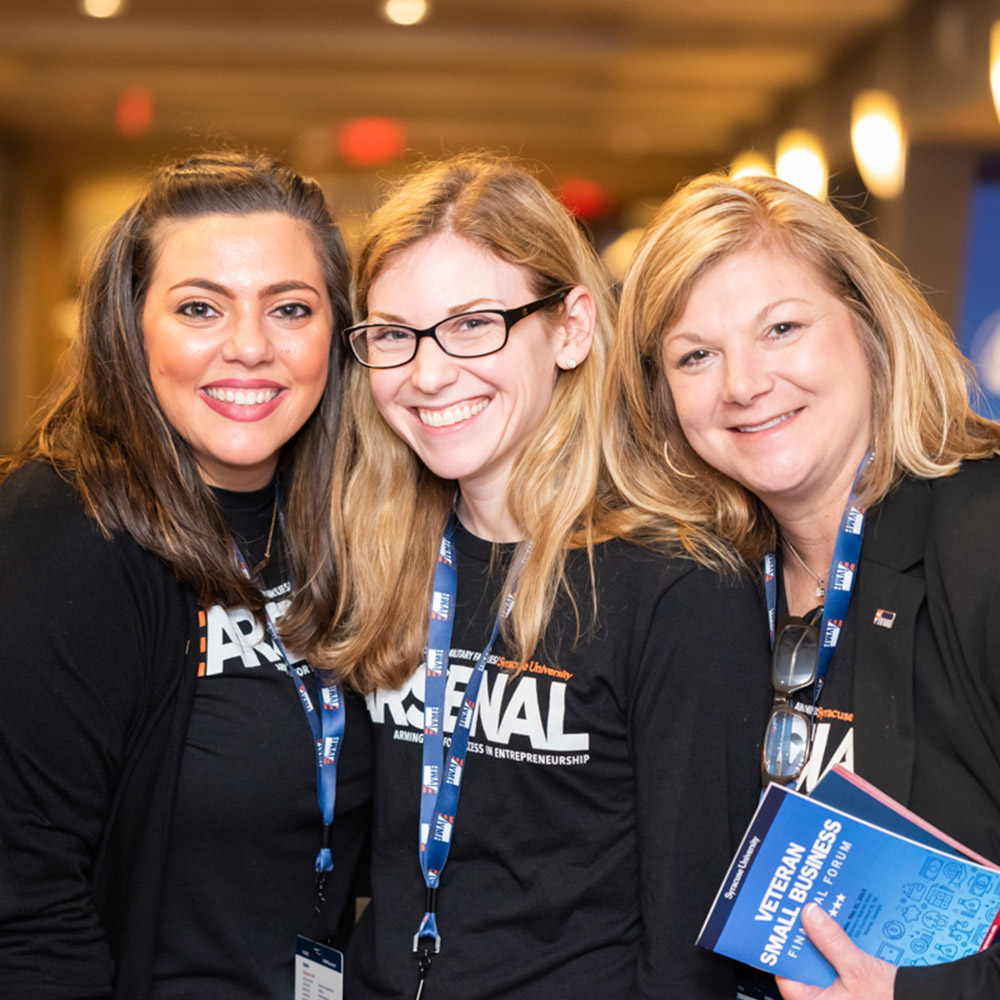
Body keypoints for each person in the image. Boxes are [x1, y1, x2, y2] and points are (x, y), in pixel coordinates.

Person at [305, 152, 771, 999]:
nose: (430, 371)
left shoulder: (676, 585)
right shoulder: (386, 553)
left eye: (475, 323)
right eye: (394, 335)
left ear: (572, 328)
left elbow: (690, 952)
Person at [605, 170, 1000, 1000]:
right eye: (696, 356)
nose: (743, 385)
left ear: (866, 324)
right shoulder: (703, 583)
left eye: (780, 328)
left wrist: (914, 996)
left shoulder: (984, 539)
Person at [0, 151, 372, 1000]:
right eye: (200, 308)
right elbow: (23, 900)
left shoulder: (347, 528)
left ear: (336, 333)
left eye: (290, 309)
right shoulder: (64, 530)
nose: (249, 347)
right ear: (131, 328)